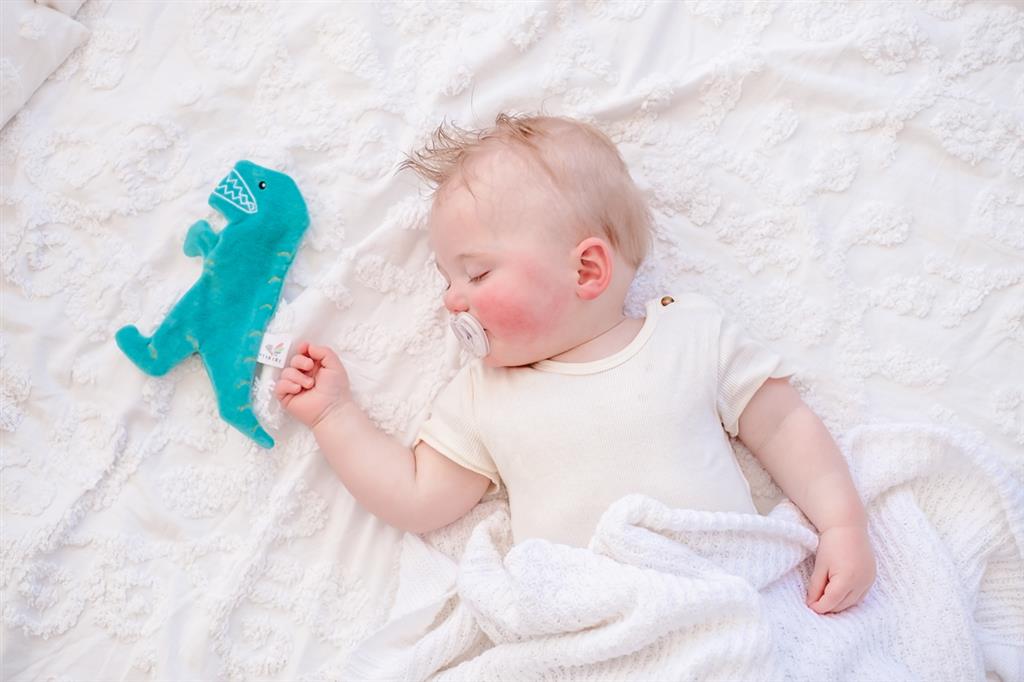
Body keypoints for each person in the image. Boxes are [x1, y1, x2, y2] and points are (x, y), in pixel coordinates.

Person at [274, 113, 876, 614]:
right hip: (591, 626)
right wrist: (334, 416)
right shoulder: (483, 395)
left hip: (720, 601)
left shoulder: (689, 336)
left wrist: (842, 526)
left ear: (586, 270)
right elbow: (415, 496)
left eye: (475, 273)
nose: (452, 300)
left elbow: (784, 425)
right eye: (447, 279)